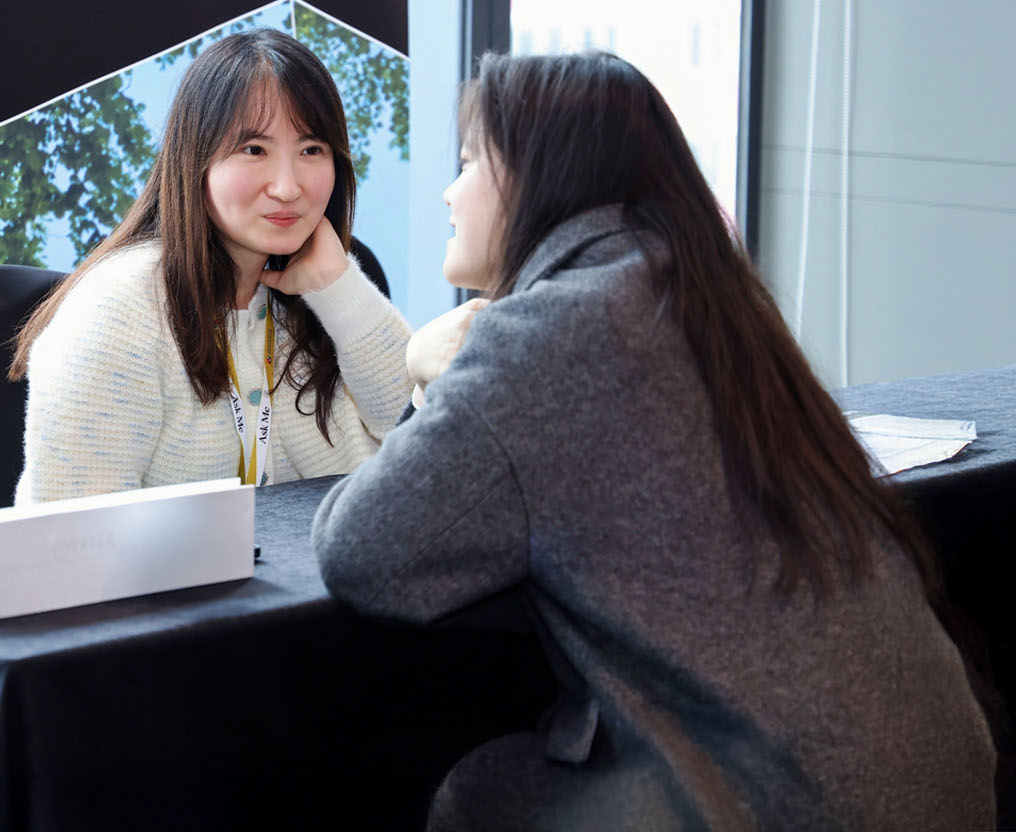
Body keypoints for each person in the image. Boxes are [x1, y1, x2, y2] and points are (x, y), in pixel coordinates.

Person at [312, 51, 995, 830]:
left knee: (478, 793)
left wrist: (421, 366)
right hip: (942, 777)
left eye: (469, 162)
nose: (448, 190)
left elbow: (364, 553)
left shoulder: (555, 333)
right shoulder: (701, 295)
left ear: (535, 178)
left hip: (801, 805)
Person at [12, 29, 412, 502]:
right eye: (254, 150)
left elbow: (424, 451)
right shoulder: (119, 309)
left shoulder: (317, 297)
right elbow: (70, 534)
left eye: (311, 150)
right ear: (196, 159)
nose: (287, 187)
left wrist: (338, 286)